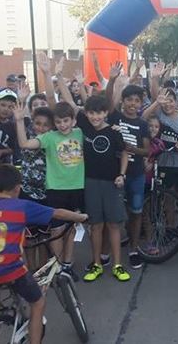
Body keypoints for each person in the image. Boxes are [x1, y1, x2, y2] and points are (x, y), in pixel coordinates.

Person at [0, 164, 88, 344]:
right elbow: (57, 213)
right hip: (10, 269)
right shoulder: (21, 206)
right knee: (38, 303)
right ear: (17, 188)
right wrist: (80, 217)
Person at [56, 75, 130, 283]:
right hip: (89, 183)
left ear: (106, 113)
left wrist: (121, 175)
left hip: (111, 183)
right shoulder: (83, 127)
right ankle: (96, 263)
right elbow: (69, 101)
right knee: (95, 226)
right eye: (91, 113)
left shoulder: (114, 133)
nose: (95, 117)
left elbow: (124, 153)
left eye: (99, 113)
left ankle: (117, 265)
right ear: (86, 113)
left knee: (114, 225)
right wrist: (63, 77)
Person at [15, 101, 84, 279]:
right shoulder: (50, 137)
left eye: (65, 121)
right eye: (59, 122)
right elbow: (23, 143)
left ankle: (67, 265)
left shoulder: (79, 133)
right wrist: (19, 120)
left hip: (76, 188)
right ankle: (58, 266)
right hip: (54, 190)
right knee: (55, 230)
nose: (62, 125)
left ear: (73, 121)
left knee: (71, 228)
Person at [106, 75, 151, 270]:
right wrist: (113, 81)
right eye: (129, 100)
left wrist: (132, 148)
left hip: (136, 174)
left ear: (141, 104)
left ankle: (133, 249)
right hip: (115, 173)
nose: (133, 104)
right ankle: (106, 251)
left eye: (137, 101)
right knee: (114, 214)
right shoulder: (115, 116)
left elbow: (147, 150)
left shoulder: (142, 124)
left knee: (136, 212)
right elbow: (108, 100)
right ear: (123, 101)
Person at [142, 88, 178, 243]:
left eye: (171, 101)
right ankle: (170, 228)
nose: (168, 105)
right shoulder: (158, 116)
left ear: (176, 102)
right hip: (164, 163)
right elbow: (143, 118)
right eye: (165, 102)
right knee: (167, 196)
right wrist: (156, 103)